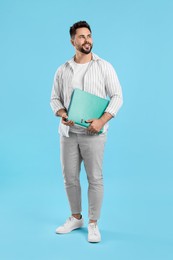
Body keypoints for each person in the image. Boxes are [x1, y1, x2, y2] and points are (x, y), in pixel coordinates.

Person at [50, 21, 123, 243]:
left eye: (89, 36)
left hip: (94, 133)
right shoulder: (63, 69)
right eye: (81, 37)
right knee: (70, 178)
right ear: (73, 41)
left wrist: (101, 121)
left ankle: (93, 223)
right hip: (68, 133)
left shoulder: (104, 67)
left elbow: (118, 97)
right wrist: (62, 113)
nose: (87, 40)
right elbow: (54, 99)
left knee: (95, 178)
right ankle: (76, 218)